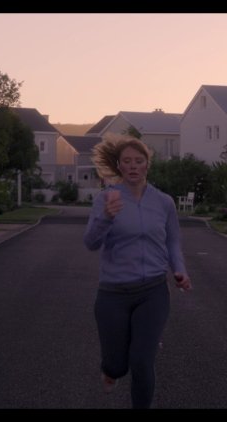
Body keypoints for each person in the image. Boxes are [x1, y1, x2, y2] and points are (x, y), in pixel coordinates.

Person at [83, 133, 192, 409]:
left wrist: (180, 271)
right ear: (119, 165)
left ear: (147, 164)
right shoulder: (106, 199)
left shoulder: (164, 202)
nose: (133, 166)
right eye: (127, 161)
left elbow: (172, 241)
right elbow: (91, 243)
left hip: (153, 291)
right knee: (117, 365)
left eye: (138, 161)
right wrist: (107, 217)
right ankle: (110, 370)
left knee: (142, 362)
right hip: (113, 293)